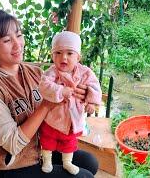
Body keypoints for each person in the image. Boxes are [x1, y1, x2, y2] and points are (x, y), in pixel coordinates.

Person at [0, 9, 98, 177]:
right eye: (7, 40)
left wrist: (84, 93)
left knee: (89, 162)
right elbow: (13, 144)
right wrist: (46, 105)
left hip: (40, 149)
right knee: (84, 176)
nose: (18, 45)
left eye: (19, 35)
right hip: (11, 166)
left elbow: (64, 93)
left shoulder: (34, 73)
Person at [38, 31, 102, 175]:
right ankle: (47, 160)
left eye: (70, 53)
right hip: (53, 118)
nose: (64, 57)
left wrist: (91, 101)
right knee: (47, 139)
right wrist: (60, 91)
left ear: (78, 57)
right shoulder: (52, 72)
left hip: (73, 119)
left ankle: (67, 162)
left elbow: (94, 86)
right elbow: (43, 86)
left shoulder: (85, 72)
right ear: (52, 56)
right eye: (58, 53)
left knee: (69, 142)